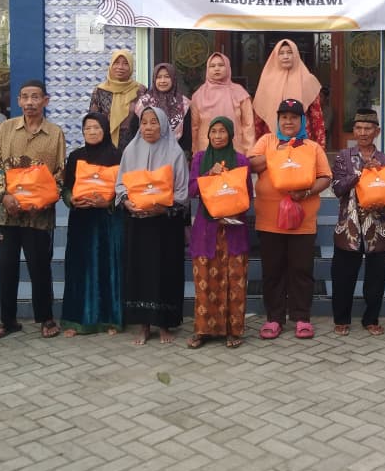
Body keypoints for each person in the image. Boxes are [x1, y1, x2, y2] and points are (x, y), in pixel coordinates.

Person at [0, 79, 66, 340]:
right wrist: (4, 196)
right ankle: (8, 321)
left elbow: (60, 173)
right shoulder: (5, 129)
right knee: (7, 268)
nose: (30, 102)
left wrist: (41, 200)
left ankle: (45, 318)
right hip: (8, 213)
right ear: (18, 101)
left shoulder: (55, 133)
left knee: (40, 267)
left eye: (35, 97)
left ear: (45, 100)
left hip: (39, 216)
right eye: (25, 97)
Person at [249, 98, 332, 340]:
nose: (288, 121)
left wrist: (305, 192)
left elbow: (325, 177)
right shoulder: (267, 141)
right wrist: (277, 154)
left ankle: (301, 318)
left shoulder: (312, 147)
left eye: (294, 117)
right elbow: (251, 165)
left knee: (301, 270)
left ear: (302, 121)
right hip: (269, 220)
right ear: (278, 120)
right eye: (284, 117)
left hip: (302, 221)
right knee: (272, 271)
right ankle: (274, 319)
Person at [117, 106, 189, 345]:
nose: (148, 127)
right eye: (144, 122)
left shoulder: (175, 152)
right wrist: (126, 202)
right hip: (138, 224)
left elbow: (182, 191)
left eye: (153, 122)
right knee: (140, 272)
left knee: (164, 271)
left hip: (165, 225)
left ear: (163, 125)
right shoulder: (130, 150)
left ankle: (165, 324)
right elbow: (120, 185)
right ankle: (144, 325)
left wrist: (162, 208)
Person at [187, 116, 254, 349]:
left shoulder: (241, 160)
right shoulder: (199, 158)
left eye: (222, 131)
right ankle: (203, 330)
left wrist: (232, 209)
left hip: (233, 228)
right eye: (213, 131)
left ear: (231, 134)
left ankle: (233, 331)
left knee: (234, 279)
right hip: (206, 230)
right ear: (208, 134)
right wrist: (209, 176)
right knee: (205, 278)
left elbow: (248, 194)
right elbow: (191, 190)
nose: (217, 136)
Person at [330, 109, 385, 337]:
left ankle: (371, 319)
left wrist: (383, 203)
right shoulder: (343, 157)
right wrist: (360, 174)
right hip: (349, 227)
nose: (363, 132)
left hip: (377, 228)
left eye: (368, 128)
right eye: (359, 128)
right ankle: (341, 319)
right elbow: (337, 188)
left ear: (377, 131)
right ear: (354, 131)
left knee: (376, 278)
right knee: (343, 276)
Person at [60, 112, 125, 337]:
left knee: (108, 268)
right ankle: (76, 321)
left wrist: (108, 202)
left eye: (96, 127)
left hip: (108, 222)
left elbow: (125, 189)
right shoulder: (76, 156)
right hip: (82, 221)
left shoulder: (117, 156)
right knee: (79, 268)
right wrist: (72, 200)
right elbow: (66, 188)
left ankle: (110, 320)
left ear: (105, 130)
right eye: (87, 128)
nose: (92, 132)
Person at [252, 39, 326, 147]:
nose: (286, 56)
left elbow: (317, 116)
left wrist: (320, 145)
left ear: (296, 55)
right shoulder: (266, 81)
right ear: (275, 56)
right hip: (272, 140)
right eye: (281, 53)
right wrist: (256, 145)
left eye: (290, 52)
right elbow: (259, 117)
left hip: (302, 141)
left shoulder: (308, 80)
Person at [190, 52, 255, 155]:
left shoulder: (239, 93)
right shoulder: (198, 96)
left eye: (221, 65)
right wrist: (195, 152)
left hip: (235, 150)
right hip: (206, 151)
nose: (217, 69)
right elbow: (195, 127)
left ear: (228, 67)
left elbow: (248, 125)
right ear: (207, 69)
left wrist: (249, 152)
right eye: (212, 66)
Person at [89, 48, 146, 149]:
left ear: (131, 66)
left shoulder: (140, 90)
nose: (120, 67)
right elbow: (92, 122)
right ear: (111, 65)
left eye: (125, 63)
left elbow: (145, 120)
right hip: (105, 147)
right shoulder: (99, 91)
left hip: (135, 147)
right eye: (116, 63)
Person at [136, 62, 192, 153]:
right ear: (154, 79)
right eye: (159, 77)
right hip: (147, 152)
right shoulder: (143, 103)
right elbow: (136, 131)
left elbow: (187, 136)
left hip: (175, 153)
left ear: (173, 79)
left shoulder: (184, 103)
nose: (162, 81)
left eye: (167, 76)